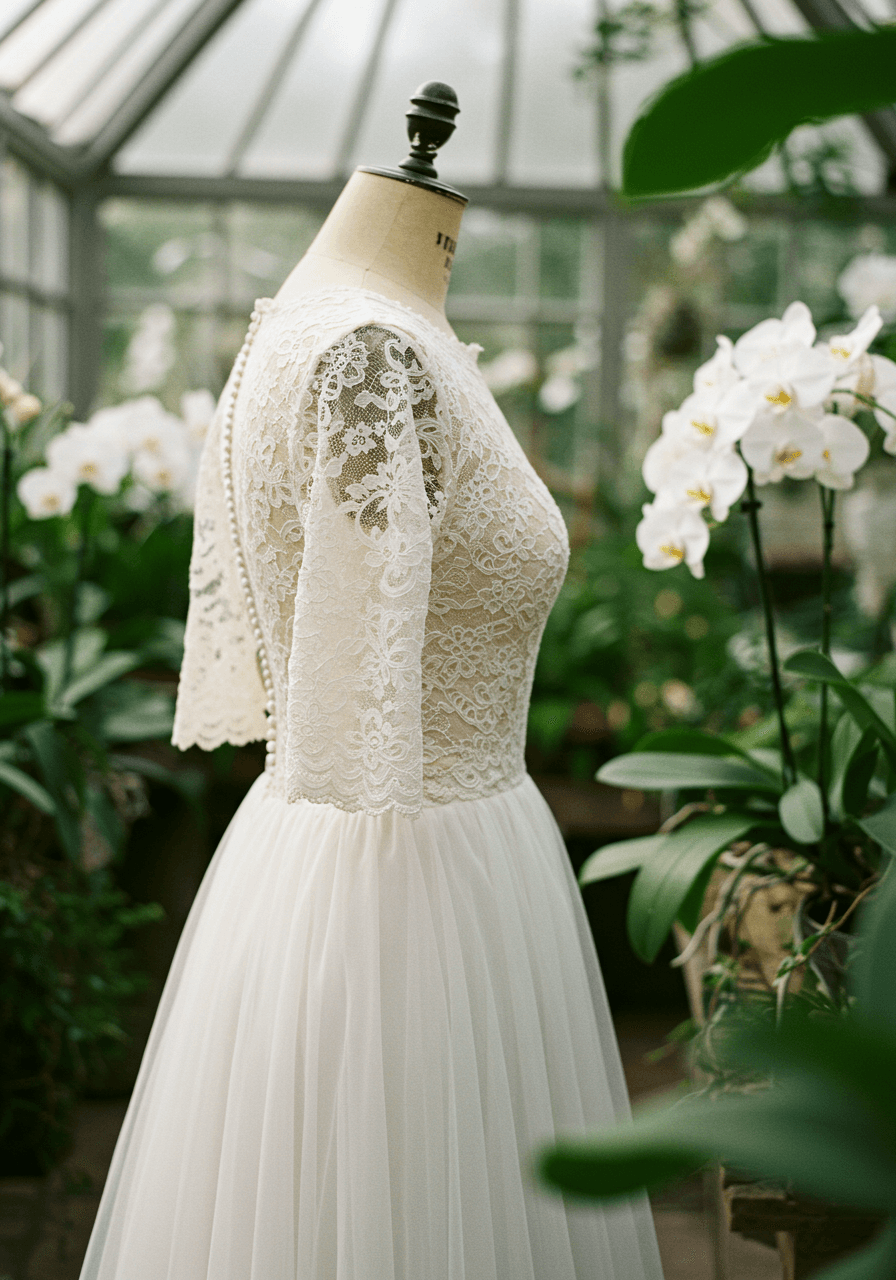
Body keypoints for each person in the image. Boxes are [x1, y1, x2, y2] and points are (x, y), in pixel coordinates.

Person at [79, 85, 664, 1280]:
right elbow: (363, 695)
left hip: (378, 854)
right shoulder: (370, 355)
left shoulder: (315, 332)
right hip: (414, 880)